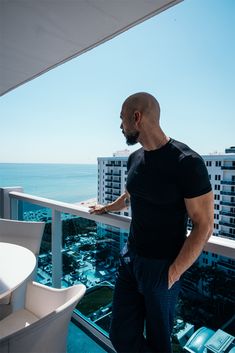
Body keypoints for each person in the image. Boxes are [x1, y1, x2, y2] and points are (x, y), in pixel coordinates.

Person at [89, 92, 214, 353]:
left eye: (122, 119)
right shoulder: (135, 158)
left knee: (160, 344)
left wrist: (175, 271)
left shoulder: (187, 162)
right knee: (120, 334)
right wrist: (106, 208)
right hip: (130, 260)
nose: (120, 126)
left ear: (137, 117)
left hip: (162, 269)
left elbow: (204, 224)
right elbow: (131, 195)